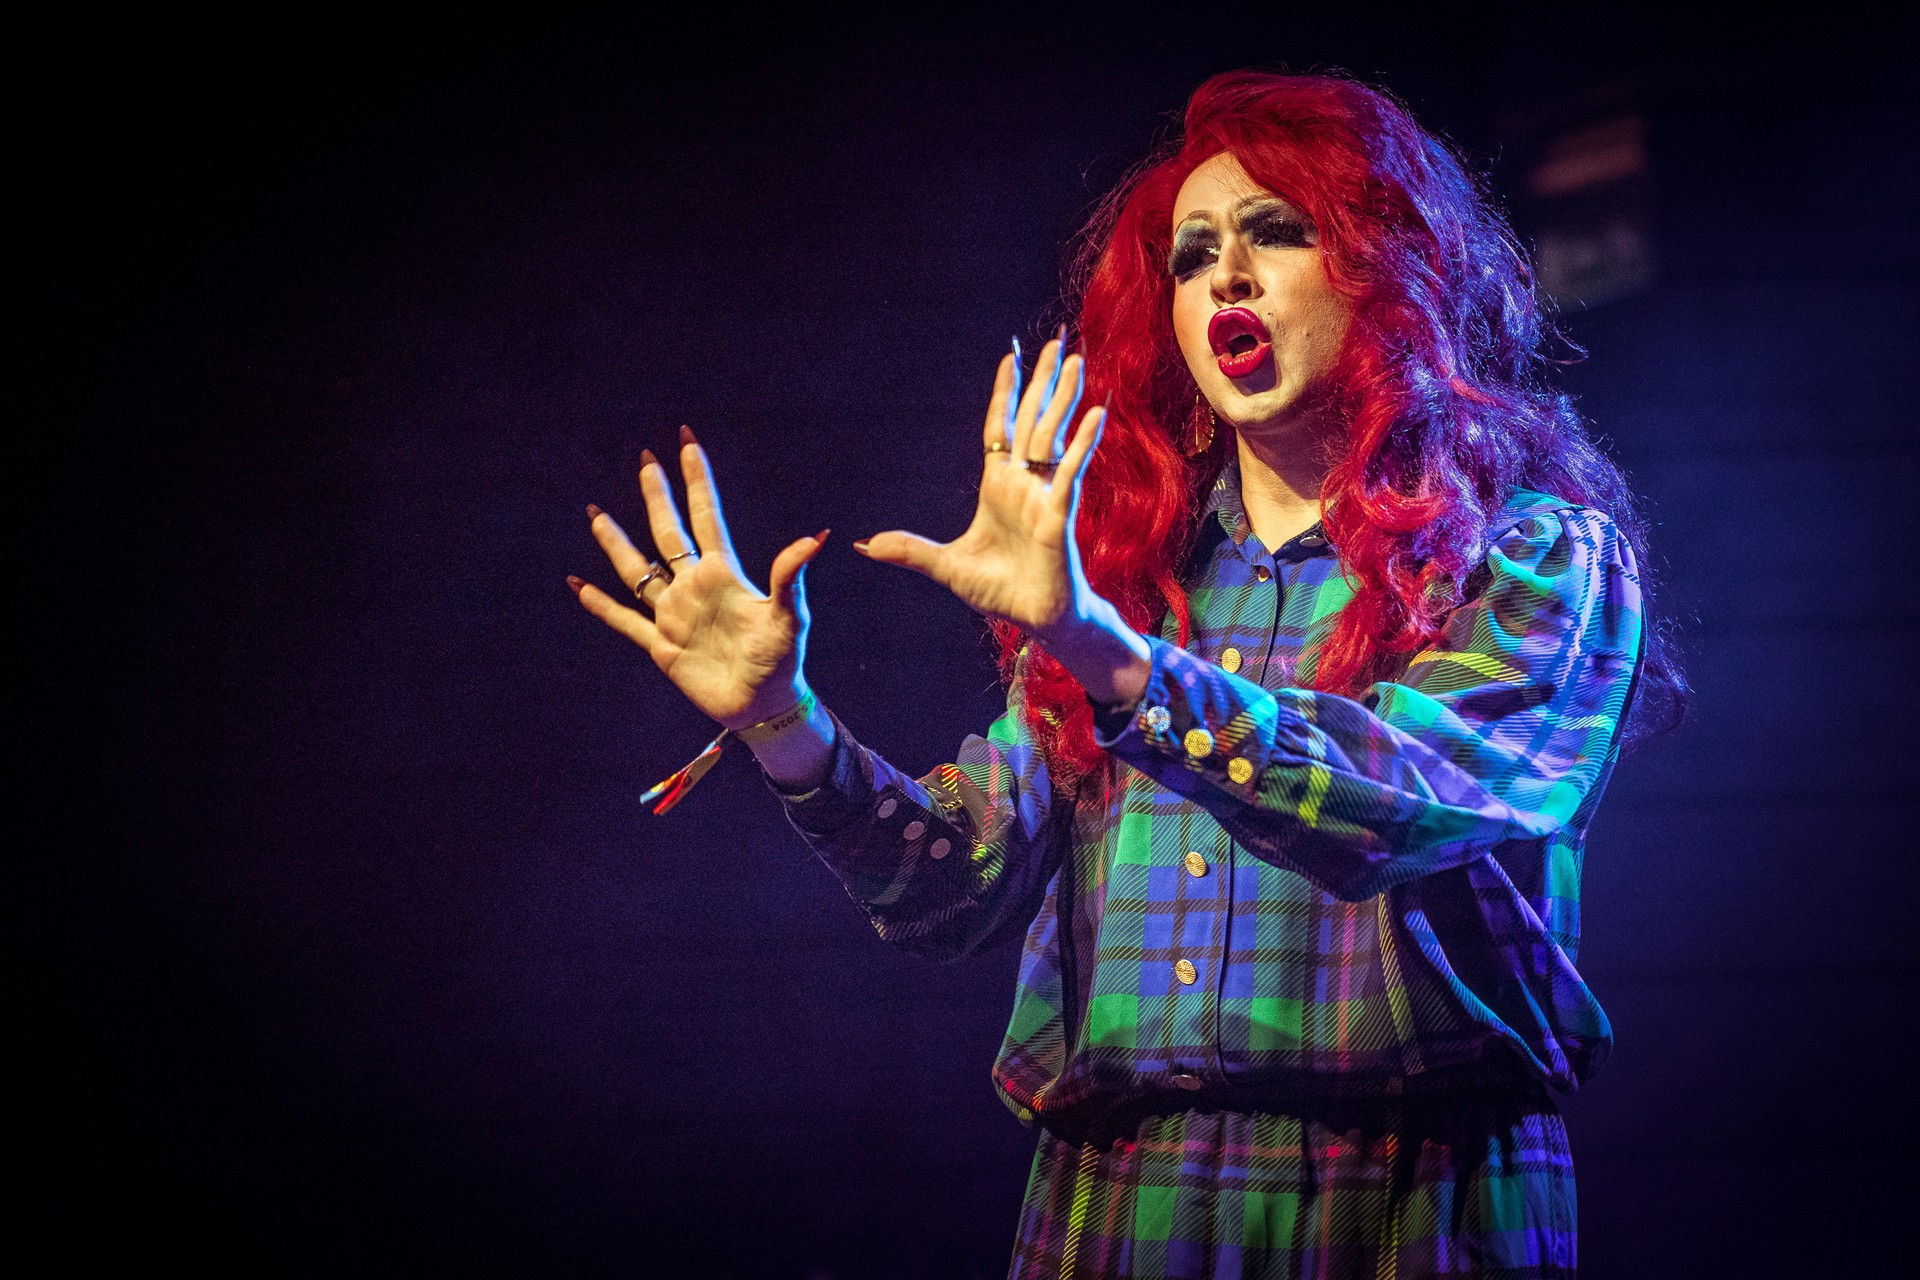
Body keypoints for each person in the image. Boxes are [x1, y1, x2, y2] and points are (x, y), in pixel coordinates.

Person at [567, 70, 1683, 1280]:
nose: (1226, 277)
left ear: (1386, 268)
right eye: (1193, 256)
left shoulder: (1533, 555)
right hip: (1121, 1203)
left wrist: (1117, 661)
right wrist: (786, 724)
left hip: (1410, 1199)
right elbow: (954, 889)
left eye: (1276, 232)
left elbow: (1403, 799)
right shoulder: (1131, 583)